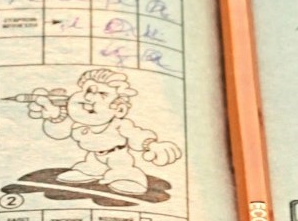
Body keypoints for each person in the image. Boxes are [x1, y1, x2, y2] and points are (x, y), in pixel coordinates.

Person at [19, 68, 183, 195]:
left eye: (102, 94)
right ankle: (90, 172)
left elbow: (136, 135)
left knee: (122, 170)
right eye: (87, 91)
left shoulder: (119, 124)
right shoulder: (78, 123)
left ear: (119, 109)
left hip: (116, 155)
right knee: (90, 166)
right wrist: (54, 117)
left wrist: (151, 145)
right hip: (94, 156)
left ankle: (130, 179)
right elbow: (58, 133)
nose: (89, 98)